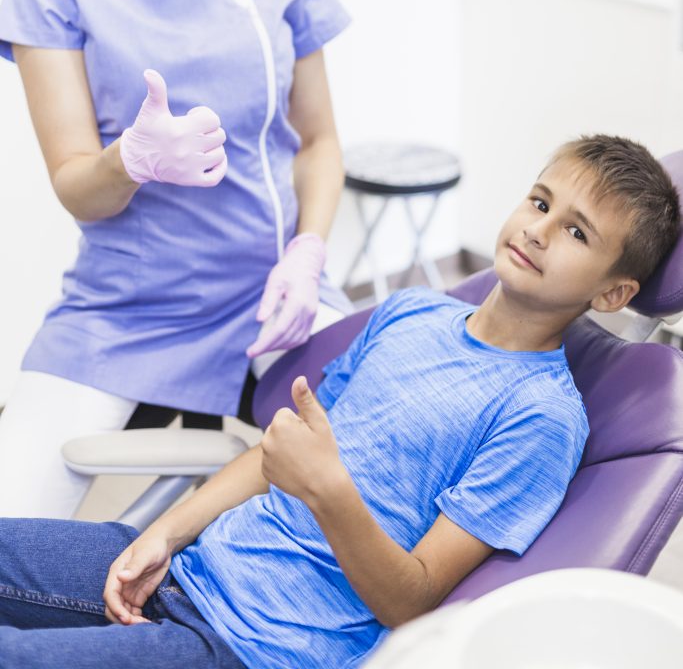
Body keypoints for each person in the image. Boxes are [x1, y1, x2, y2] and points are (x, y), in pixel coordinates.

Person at [0, 134, 678, 669]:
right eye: (539, 202)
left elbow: (414, 604)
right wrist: (164, 534)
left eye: (577, 232)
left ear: (613, 293)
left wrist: (329, 490)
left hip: (258, 645)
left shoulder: (540, 418)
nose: (538, 229)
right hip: (195, 565)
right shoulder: (412, 312)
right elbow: (280, 453)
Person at [0, 0, 352, 517]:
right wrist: (128, 158)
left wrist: (307, 253)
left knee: (382, 485)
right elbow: (76, 187)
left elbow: (320, 143)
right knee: (9, 529)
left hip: (273, 293)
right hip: (125, 308)